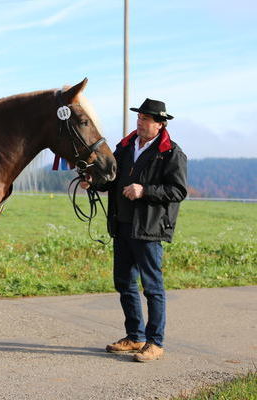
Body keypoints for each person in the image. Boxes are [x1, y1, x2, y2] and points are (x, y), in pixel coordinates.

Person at [82, 98, 187, 362]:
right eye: (139, 118)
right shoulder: (125, 147)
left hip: (149, 230)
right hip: (122, 225)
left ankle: (155, 342)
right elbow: (111, 181)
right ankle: (135, 336)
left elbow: (178, 191)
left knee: (152, 288)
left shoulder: (171, 153)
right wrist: (92, 183)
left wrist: (145, 190)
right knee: (125, 283)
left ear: (159, 124)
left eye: (145, 119)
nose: (140, 122)